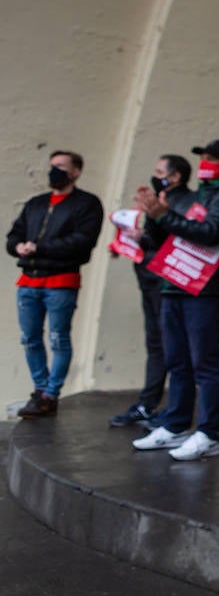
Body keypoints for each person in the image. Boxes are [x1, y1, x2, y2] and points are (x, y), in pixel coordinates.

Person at [131, 139, 219, 461]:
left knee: (204, 362)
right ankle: (176, 425)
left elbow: (210, 232)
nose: (204, 164)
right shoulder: (194, 196)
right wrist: (153, 215)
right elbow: (166, 237)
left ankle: (209, 434)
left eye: (212, 159)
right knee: (176, 360)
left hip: (206, 290)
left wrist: (165, 216)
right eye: (202, 158)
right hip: (175, 284)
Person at [7, 150, 103, 418]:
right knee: (29, 338)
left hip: (61, 282)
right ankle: (40, 390)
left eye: (61, 166)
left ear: (76, 171)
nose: (54, 171)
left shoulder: (87, 204)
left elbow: (83, 242)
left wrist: (39, 248)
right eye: (52, 166)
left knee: (58, 338)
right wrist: (19, 247)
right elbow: (13, 235)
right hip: (28, 281)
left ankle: (51, 393)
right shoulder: (36, 203)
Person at [109, 154, 193, 428]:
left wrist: (149, 236)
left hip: (166, 283)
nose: (155, 175)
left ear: (176, 175)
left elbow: (177, 242)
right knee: (156, 344)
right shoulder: (159, 202)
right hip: (149, 280)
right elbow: (157, 239)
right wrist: (136, 239)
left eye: (160, 171)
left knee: (173, 347)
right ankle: (148, 404)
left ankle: (174, 412)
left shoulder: (182, 203)